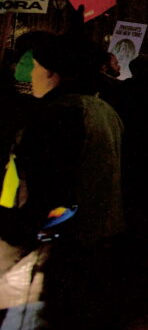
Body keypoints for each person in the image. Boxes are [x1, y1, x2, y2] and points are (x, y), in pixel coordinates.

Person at [3, 34, 125, 329]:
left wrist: (20, 229)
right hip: (95, 238)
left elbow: (51, 187)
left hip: (58, 248)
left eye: (34, 67)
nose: (30, 74)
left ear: (52, 72)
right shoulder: (103, 110)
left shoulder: (58, 114)